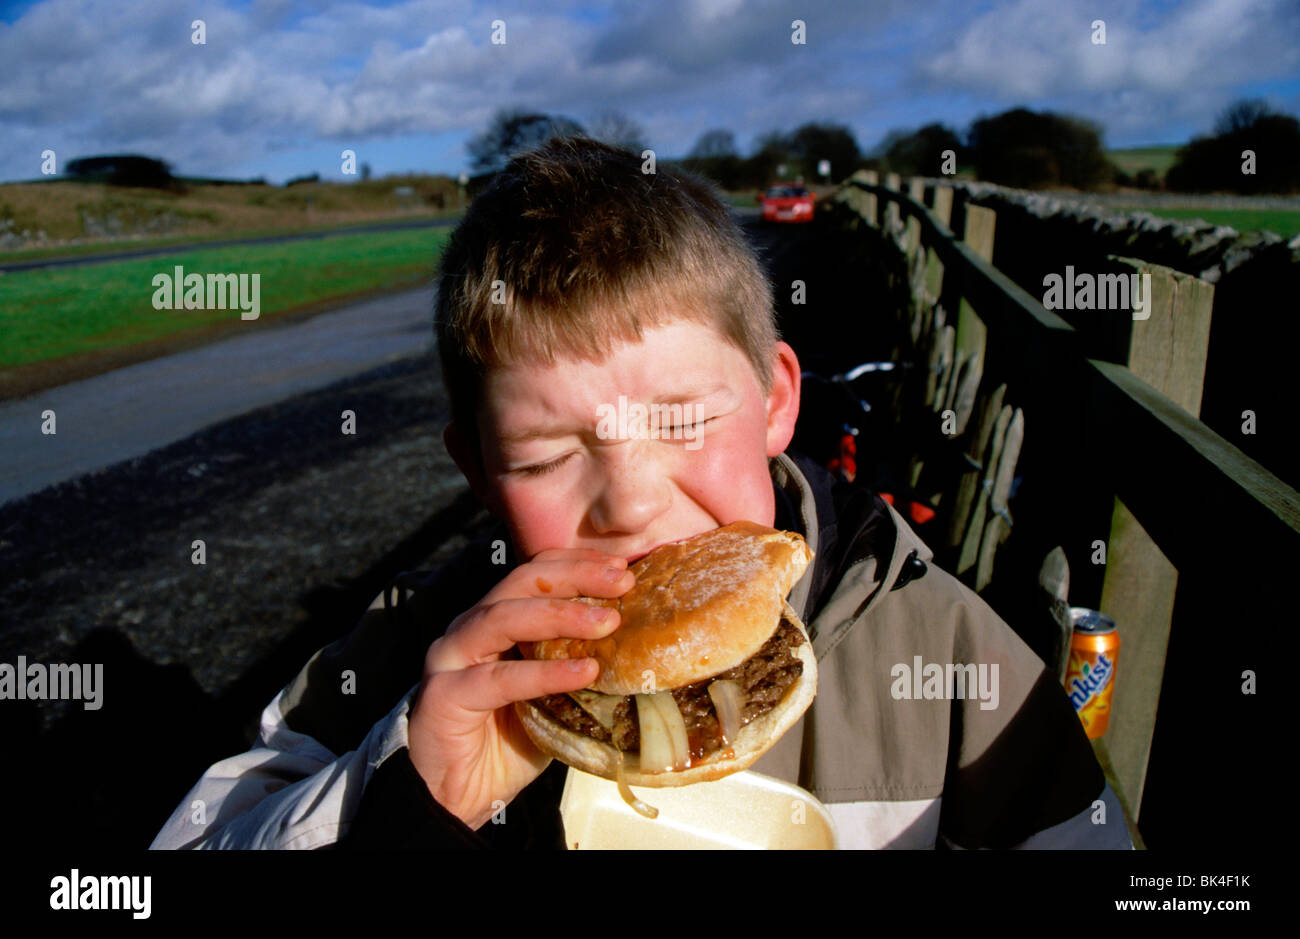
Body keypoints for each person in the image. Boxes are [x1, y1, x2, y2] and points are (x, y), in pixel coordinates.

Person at [151, 136, 1131, 850]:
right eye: (542, 456)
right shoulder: (412, 655)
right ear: (479, 473)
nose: (627, 500)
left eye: (678, 420)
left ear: (775, 401)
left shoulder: (941, 656)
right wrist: (409, 793)